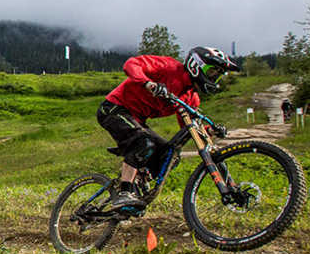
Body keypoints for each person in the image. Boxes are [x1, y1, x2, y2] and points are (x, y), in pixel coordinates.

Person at [98, 47, 240, 211]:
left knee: (171, 156)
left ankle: (138, 180)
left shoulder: (191, 98)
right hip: (114, 109)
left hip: (137, 120)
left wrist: (209, 131)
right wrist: (148, 83)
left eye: (218, 75)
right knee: (144, 143)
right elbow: (131, 64)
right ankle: (125, 192)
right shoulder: (169, 67)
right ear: (196, 65)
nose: (214, 77)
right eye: (213, 72)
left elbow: (187, 128)